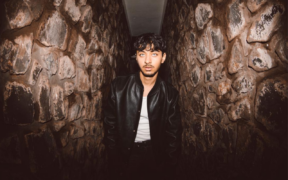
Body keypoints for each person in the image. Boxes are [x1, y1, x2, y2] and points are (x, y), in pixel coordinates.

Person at [103, 33, 182, 180]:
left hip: (155, 155)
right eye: (142, 54)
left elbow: (174, 135)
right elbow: (110, 127)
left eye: (154, 54)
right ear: (136, 57)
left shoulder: (170, 94)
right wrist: (114, 159)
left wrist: (169, 166)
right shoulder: (118, 87)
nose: (147, 61)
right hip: (127, 154)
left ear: (163, 57)